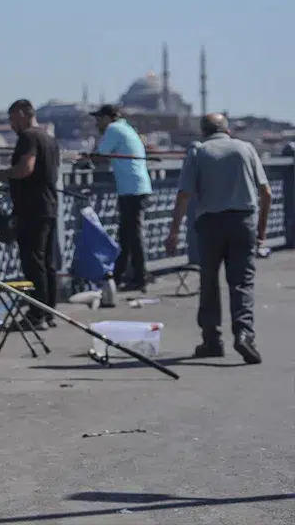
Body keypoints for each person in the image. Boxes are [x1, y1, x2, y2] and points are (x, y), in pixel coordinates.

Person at [165, 114, 270, 365]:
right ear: (227, 130)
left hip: (210, 224)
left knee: (209, 281)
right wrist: (261, 231)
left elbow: (184, 194)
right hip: (243, 222)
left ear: (203, 131)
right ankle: (244, 334)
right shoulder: (245, 148)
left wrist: (174, 232)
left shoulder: (198, 151)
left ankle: (212, 340)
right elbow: (265, 193)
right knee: (242, 282)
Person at [0, 99, 61, 329]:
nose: (11, 124)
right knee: (47, 262)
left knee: (33, 262)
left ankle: (36, 314)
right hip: (49, 205)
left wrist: (5, 174)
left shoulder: (28, 137)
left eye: (12, 119)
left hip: (32, 208)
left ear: (23, 114)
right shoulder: (49, 138)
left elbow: (26, 168)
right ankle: (50, 311)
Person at [87, 104, 153, 292]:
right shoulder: (126, 128)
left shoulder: (114, 129)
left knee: (133, 235)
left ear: (108, 118)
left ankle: (140, 278)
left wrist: (86, 160)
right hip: (136, 186)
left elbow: (100, 154)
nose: (97, 123)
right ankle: (119, 277)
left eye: (99, 119)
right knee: (126, 235)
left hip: (131, 189)